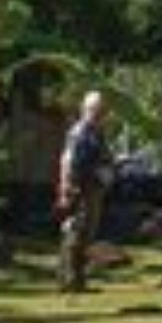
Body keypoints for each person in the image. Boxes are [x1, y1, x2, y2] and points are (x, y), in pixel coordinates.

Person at [57, 90, 114, 293]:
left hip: (92, 188)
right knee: (77, 233)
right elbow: (69, 160)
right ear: (84, 109)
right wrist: (66, 188)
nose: (99, 114)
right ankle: (71, 280)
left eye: (101, 110)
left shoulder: (96, 133)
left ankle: (75, 279)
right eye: (94, 110)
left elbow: (99, 159)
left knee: (84, 234)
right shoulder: (80, 132)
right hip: (80, 188)